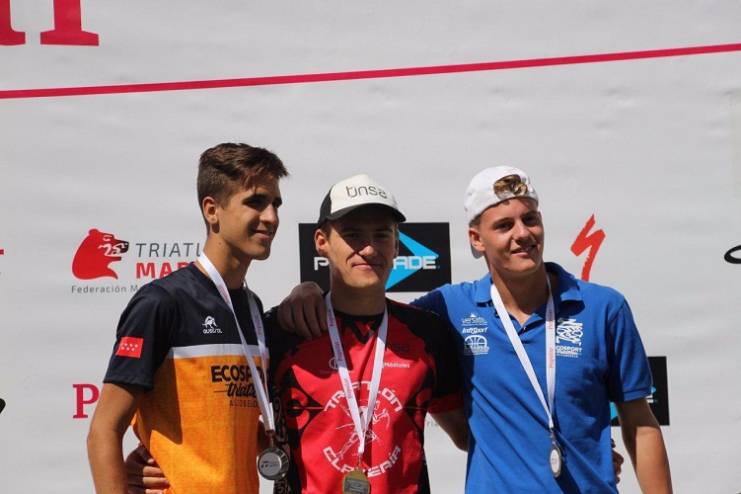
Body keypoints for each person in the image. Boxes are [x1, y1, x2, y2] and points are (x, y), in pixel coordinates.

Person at [278, 166, 671, 493]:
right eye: (504, 225)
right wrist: (307, 290)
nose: (522, 234)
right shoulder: (447, 310)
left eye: (530, 219)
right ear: (476, 239)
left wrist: (585, 448)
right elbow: (366, 309)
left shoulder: (603, 308)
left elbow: (641, 425)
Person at [124, 174, 468, 494]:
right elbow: (223, 416)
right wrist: (155, 455)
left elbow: (468, 434)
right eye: (352, 235)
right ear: (321, 242)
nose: (368, 248)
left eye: (381, 235)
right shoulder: (280, 330)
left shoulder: (428, 333)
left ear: (397, 246)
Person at [87, 142, 288, 494]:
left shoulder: (253, 309)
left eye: (275, 204)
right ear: (212, 210)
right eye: (256, 202)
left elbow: (228, 429)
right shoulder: (162, 302)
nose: (271, 217)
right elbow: (103, 430)